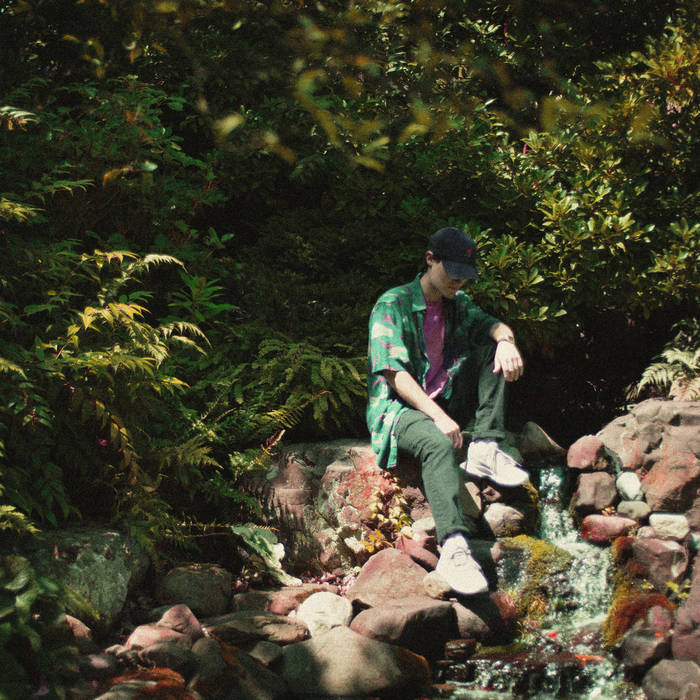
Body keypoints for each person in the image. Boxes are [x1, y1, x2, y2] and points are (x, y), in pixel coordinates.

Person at [366, 226, 528, 596]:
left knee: (493, 351)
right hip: (398, 409)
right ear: (430, 259)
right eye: (452, 272)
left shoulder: (457, 302)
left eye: (464, 275)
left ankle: (485, 447)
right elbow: (393, 373)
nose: (458, 281)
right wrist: (438, 418)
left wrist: (506, 341)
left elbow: (491, 325)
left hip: (445, 397)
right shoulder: (392, 304)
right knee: (438, 443)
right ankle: (454, 548)